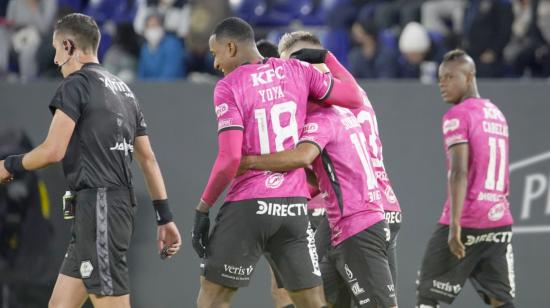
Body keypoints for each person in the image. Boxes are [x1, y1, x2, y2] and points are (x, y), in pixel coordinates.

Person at [0, 13, 181, 308]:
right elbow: (148, 158)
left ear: (69, 46)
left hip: (100, 209)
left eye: (57, 48)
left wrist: (9, 165)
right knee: (59, 305)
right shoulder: (125, 91)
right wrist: (165, 216)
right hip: (102, 212)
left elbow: (52, 150)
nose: (56, 59)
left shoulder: (76, 84)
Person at [191, 17, 364, 308]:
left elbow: (231, 158)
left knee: (212, 298)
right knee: (312, 302)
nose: (215, 63)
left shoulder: (228, 86)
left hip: (249, 205)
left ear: (231, 47)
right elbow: (354, 97)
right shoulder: (298, 70)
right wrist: (327, 58)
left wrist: (203, 209)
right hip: (294, 209)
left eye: (215, 53)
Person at [239, 31, 399, 308]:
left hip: (346, 213)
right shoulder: (354, 96)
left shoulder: (320, 110)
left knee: (296, 288)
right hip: (382, 207)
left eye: (291, 67)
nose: (287, 77)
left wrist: (254, 166)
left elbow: (304, 157)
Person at [416, 49, 515, 308]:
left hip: (467, 219)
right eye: (440, 78)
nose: (442, 83)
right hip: (498, 221)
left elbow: (459, 170)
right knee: (501, 300)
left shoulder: (458, 115)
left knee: (428, 294)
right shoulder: (497, 114)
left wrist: (455, 226)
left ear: (470, 76)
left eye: (450, 77)